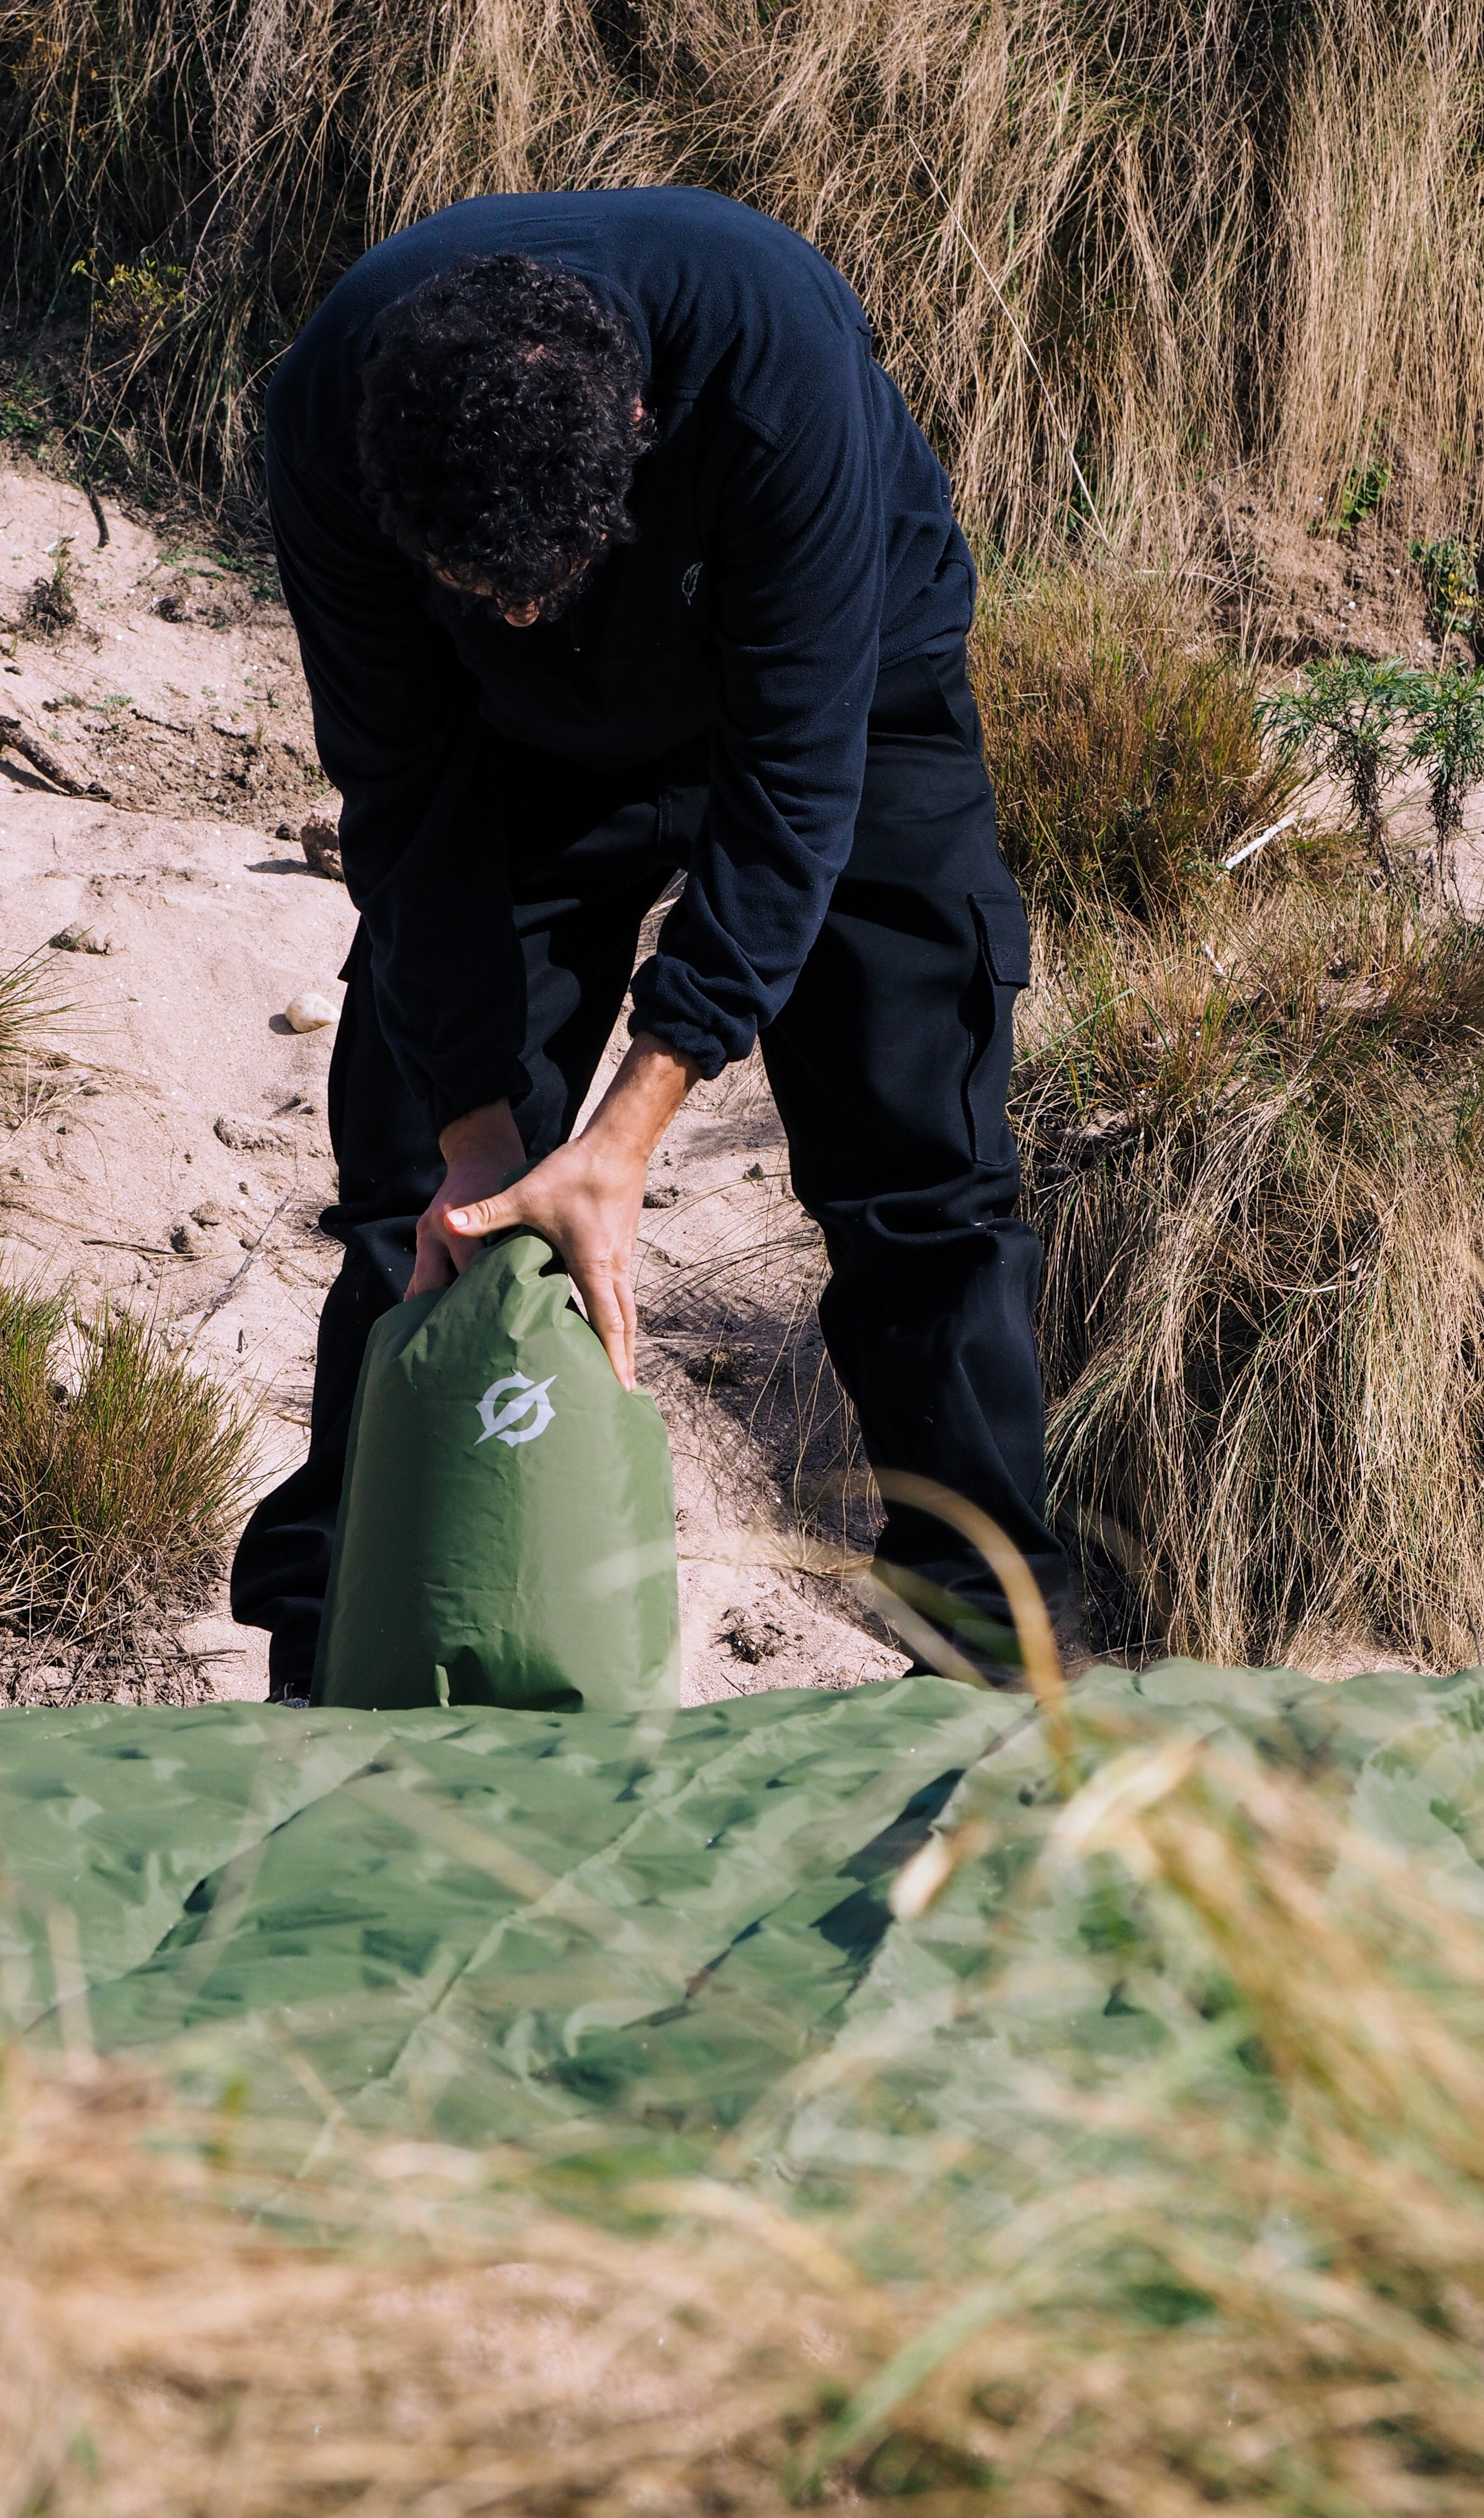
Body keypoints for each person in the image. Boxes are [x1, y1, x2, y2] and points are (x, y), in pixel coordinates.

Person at [230, 185, 1074, 1700]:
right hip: (520, 750)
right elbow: (406, 801)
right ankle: (338, 1639)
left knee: (917, 1171)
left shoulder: (769, 356)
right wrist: (484, 1138)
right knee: (415, 1189)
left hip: (845, 693)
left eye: (548, 581)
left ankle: (991, 1654)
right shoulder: (328, 416)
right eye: (489, 594)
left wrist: (627, 1132)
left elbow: (797, 787)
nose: (528, 606)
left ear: (633, 417)